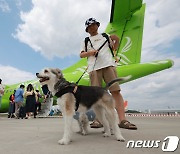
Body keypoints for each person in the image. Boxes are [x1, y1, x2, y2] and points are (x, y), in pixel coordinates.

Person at [79, 18, 137, 130]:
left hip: (108, 65)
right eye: (89, 26)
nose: (92, 27)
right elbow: (81, 55)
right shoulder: (85, 41)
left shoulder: (105, 36)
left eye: (94, 24)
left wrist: (117, 41)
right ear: (87, 29)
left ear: (97, 25)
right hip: (94, 69)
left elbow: (114, 49)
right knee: (96, 96)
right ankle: (98, 120)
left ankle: (123, 120)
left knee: (116, 91)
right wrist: (90, 53)